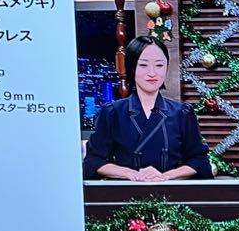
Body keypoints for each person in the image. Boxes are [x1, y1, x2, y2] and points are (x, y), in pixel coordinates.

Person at [83, 36, 212, 181]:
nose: (152, 73)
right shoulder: (113, 112)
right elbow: (94, 161)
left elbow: (199, 161)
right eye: (143, 65)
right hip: (127, 192)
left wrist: (165, 176)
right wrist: (131, 174)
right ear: (132, 67)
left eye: (159, 65)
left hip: (171, 192)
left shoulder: (182, 113)